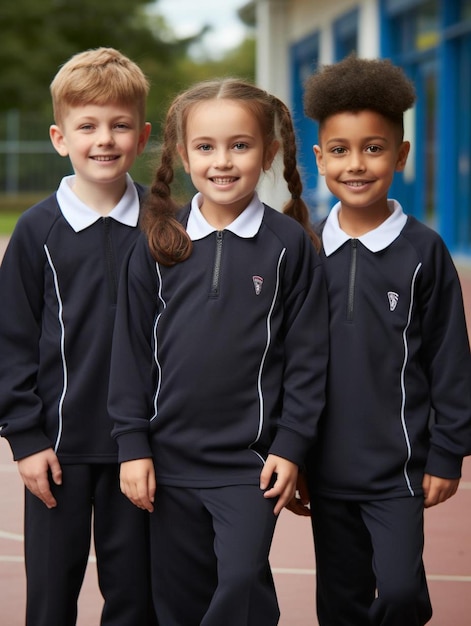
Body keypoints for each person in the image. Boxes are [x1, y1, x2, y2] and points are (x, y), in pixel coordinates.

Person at [107, 77, 329, 626]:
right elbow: (131, 352)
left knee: (238, 581)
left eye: (240, 145)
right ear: (183, 155)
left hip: (249, 465)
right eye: (205, 147)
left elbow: (307, 357)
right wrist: (133, 446)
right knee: (179, 602)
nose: (222, 161)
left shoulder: (289, 245)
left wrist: (293, 443)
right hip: (168, 462)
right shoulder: (158, 241)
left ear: (269, 152)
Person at [285, 54, 471, 626]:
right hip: (326, 470)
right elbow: (281, 360)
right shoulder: (302, 250)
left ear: (401, 155)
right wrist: (289, 453)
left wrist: (448, 450)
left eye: (374, 148)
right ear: (319, 159)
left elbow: (449, 358)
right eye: (339, 150)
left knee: (398, 592)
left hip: (400, 470)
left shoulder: (424, 252)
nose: (356, 164)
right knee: (340, 601)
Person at [0, 47, 157, 625]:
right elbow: (11, 339)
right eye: (87, 126)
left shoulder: (166, 225)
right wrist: (25, 437)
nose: (104, 139)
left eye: (119, 126)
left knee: (137, 600)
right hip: (56, 452)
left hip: (140, 452)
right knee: (49, 598)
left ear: (141, 137)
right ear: (60, 137)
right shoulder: (37, 229)